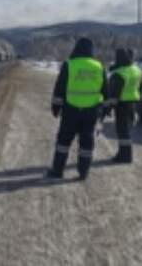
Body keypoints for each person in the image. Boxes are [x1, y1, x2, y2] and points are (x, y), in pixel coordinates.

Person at [47, 37, 108, 180]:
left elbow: (60, 88)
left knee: (63, 142)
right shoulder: (99, 66)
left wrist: (56, 107)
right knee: (87, 143)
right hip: (91, 112)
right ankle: (83, 172)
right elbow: (106, 91)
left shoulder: (69, 64)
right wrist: (104, 111)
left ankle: (57, 171)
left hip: (71, 110)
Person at [107, 48, 142, 164]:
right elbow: (141, 88)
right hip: (133, 103)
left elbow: (114, 95)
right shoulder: (137, 70)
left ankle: (125, 156)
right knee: (127, 130)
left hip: (122, 105)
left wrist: (108, 109)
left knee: (123, 131)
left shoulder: (119, 74)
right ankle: (123, 153)